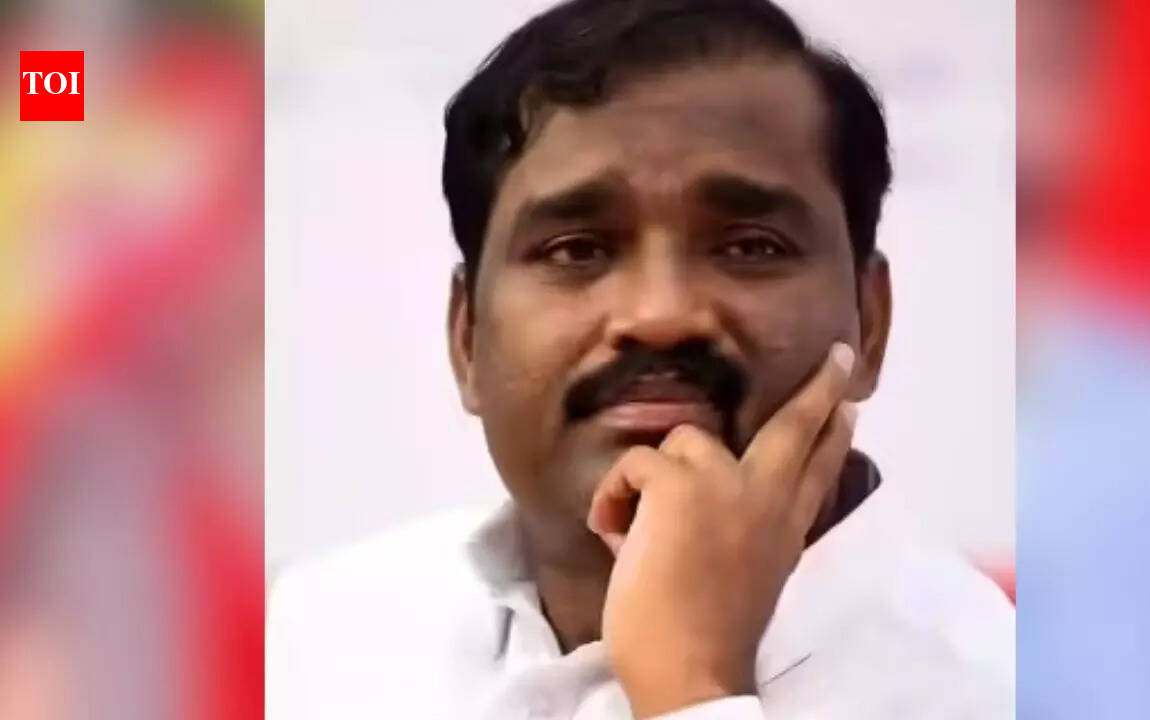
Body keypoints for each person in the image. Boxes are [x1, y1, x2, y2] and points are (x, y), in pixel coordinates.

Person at [267, 1, 1013, 718]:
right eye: (576, 250)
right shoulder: (318, 642)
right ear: (467, 339)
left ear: (871, 324)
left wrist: (692, 689)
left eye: (751, 247)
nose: (661, 315)